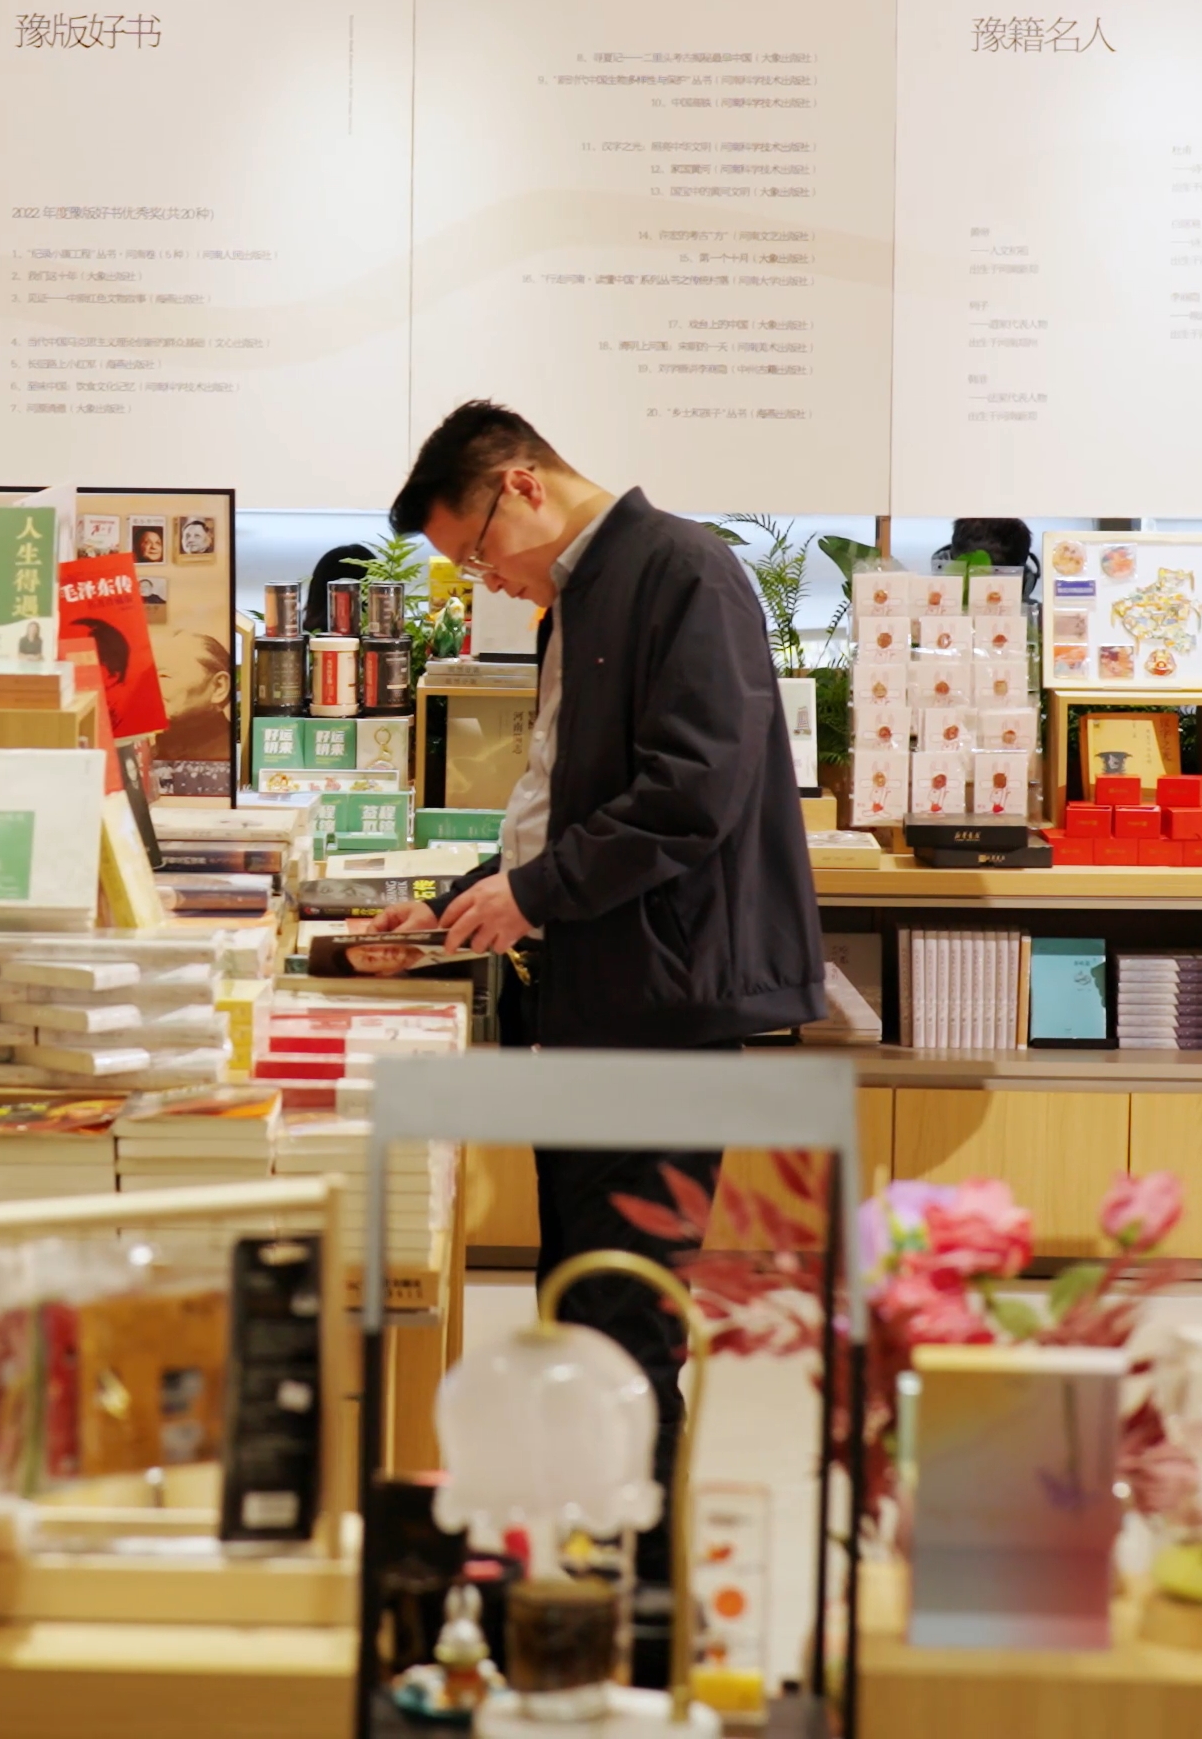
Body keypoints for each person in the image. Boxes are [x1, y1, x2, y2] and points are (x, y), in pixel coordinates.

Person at [369, 400, 820, 1586]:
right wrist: (462, 898)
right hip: (592, 995)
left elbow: (690, 793)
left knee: (625, 1317)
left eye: (479, 552)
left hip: (655, 1010)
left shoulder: (683, 572)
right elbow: (562, 799)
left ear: (522, 484)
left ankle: (646, 1594)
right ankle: (583, 1556)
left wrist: (533, 895)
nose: (489, 580)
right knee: (578, 1297)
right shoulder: (585, 593)